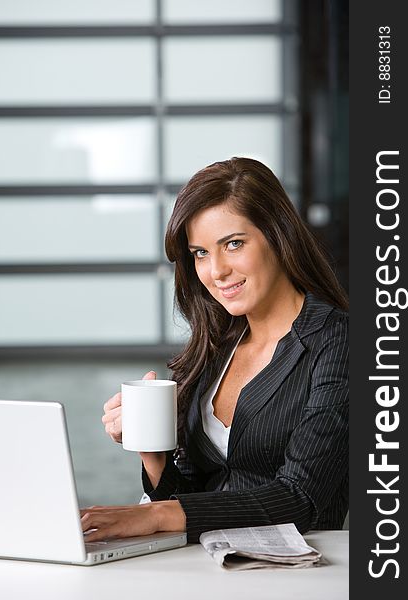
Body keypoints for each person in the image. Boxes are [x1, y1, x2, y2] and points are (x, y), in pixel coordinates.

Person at [81, 157, 348, 544]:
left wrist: (155, 516)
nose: (216, 270)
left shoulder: (338, 341)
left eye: (233, 244)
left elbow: (299, 498)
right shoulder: (217, 342)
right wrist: (152, 451)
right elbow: (190, 498)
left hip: (296, 573)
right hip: (205, 565)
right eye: (200, 253)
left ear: (279, 235)